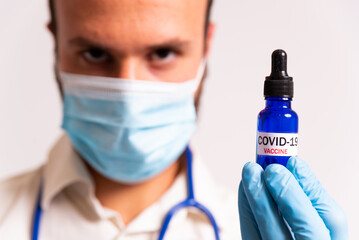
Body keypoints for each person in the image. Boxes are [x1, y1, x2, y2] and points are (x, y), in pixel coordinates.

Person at [0, 0, 349, 239]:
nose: (128, 92)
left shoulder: (253, 228)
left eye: (163, 53)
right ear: (56, 43)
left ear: (205, 47)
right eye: (95, 53)